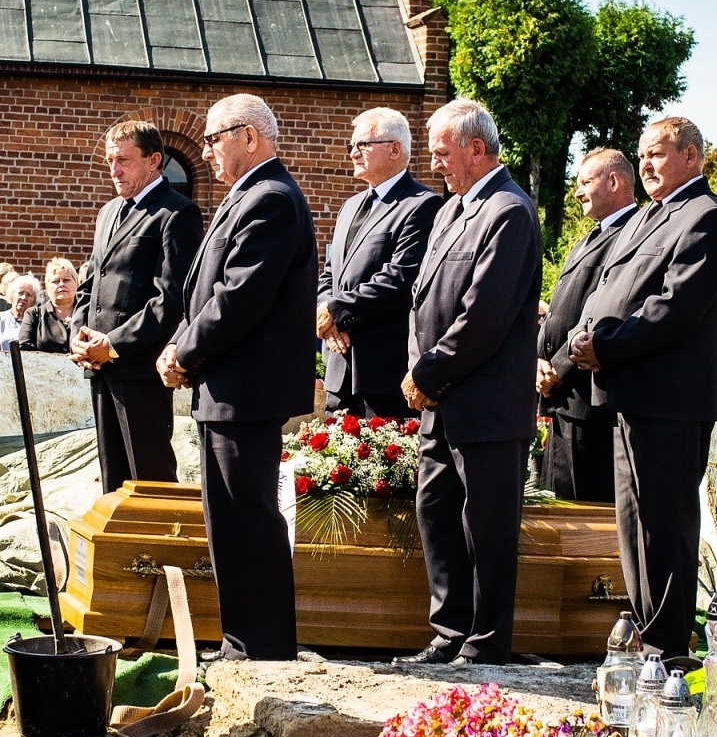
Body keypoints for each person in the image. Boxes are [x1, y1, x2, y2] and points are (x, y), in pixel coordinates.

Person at [568, 116, 717, 658]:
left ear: (692, 156)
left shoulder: (706, 217)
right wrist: (582, 334)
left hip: (670, 399)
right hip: (628, 393)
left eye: (657, 154)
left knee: (665, 526)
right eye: (641, 155)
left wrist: (607, 346)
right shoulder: (647, 217)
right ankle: (647, 631)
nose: (646, 164)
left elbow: (673, 308)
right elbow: (608, 287)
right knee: (631, 523)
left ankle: (668, 644)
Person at [158, 93, 315, 662]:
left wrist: (183, 350)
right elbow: (205, 290)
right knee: (228, 515)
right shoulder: (246, 196)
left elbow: (238, 299)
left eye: (213, 137)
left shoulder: (269, 198)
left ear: (249, 136)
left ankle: (263, 643)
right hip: (228, 385)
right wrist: (184, 341)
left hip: (246, 387)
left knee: (247, 514)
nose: (205, 150)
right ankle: (243, 638)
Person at [394, 99, 540, 667]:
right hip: (440, 402)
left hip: (484, 405)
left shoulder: (508, 211)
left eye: (442, 152)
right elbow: (422, 301)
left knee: (486, 527)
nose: (436, 165)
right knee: (436, 515)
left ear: (476, 149)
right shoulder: (453, 211)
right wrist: (418, 371)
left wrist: (428, 373)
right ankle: (449, 631)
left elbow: (485, 314)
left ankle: (484, 641)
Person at [71, 119, 200, 488]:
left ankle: (159, 548)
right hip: (99, 369)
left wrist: (111, 345)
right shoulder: (109, 211)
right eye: (110, 160)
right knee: (113, 480)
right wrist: (78, 336)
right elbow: (89, 283)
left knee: (149, 479)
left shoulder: (176, 213)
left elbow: (170, 299)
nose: (114, 170)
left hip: (141, 371)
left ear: (154, 160)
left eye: (124, 160)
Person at [316, 107, 441, 419]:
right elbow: (330, 274)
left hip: (383, 375)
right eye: (351, 146)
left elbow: (400, 278)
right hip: (338, 367)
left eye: (363, 145)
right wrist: (326, 316)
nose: (353, 154)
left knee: (382, 469)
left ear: (395, 149)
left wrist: (336, 313)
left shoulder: (422, 206)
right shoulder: (349, 206)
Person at [537, 148, 634, 503]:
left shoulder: (631, 235)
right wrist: (539, 361)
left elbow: (603, 309)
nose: (577, 192)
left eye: (584, 182)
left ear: (613, 181)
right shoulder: (591, 236)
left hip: (589, 401)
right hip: (561, 397)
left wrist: (559, 367)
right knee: (558, 508)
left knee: (585, 519)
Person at [19, 257, 77, 353]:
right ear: (47, 287)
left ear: (77, 283)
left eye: (66, 280)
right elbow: (24, 349)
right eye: (55, 281)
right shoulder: (33, 315)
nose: (61, 284)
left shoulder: (87, 312)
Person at [0, 275, 37, 350]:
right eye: (20, 293)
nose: (24, 298)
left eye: (29, 295)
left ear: (34, 301)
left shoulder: (37, 322)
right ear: (12, 295)